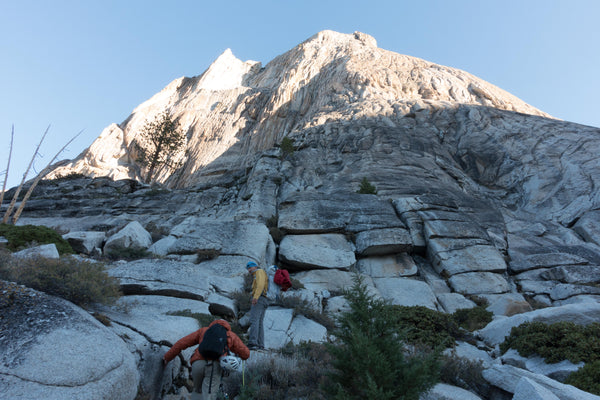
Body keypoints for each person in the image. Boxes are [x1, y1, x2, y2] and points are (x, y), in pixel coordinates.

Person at [163, 319, 250, 400]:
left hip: (197, 364)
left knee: (197, 391)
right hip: (213, 367)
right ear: (227, 326)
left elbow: (182, 343)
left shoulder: (203, 331)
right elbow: (246, 354)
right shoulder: (230, 335)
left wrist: (167, 357)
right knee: (209, 395)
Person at [246, 261, 269, 350]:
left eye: (249, 267)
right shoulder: (260, 273)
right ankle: (260, 344)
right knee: (259, 323)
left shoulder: (259, 272)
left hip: (259, 298)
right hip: (264, 299)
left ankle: (253, 343)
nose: (248, 270)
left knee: (254, 320)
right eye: (247, 268)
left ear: (254, 267)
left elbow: (260, 285)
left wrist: (255, 297)